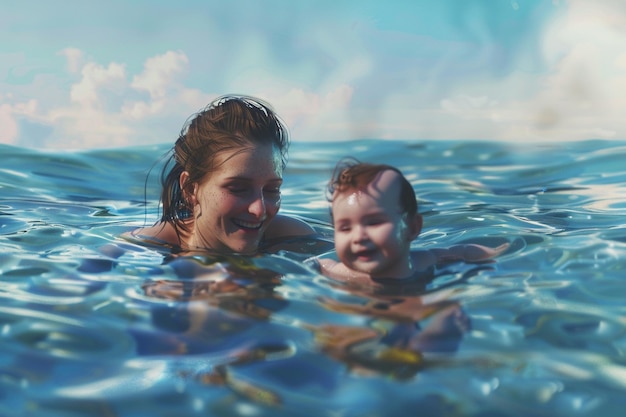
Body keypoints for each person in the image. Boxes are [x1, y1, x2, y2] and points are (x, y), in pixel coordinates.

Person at [127, 95, 317, 256]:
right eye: (238, 188)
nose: (259, 210)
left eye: (271, 189)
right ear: (190, 189)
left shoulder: (293, 237)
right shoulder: (144, 247)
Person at [318, 158, 509, 284]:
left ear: (412, 228)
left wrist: (500, 255)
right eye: (345, 228)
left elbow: (463, 251)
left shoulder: (425, 262)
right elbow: (317, 264)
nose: (358, 236)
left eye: (374, 222)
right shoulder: (338, 272)